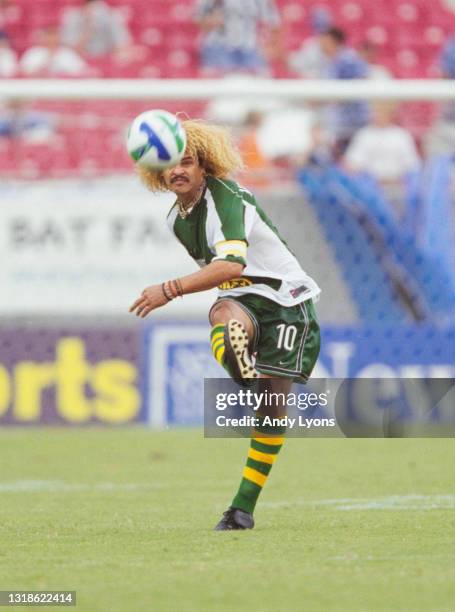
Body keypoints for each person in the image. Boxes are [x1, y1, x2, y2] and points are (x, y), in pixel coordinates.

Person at [129, 119, 321, 530]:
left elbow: (230, 263)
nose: (178, 171)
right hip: (240, 296)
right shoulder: (175, 219)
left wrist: (169, 289)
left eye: (188, 162)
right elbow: (227, 276)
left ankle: (242, 508)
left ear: (205, 165)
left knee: (270, 409)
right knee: (222, 312)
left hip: (286, 299)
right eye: (170, 165)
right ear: (157, 171)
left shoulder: (227, 197)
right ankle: (240, 364)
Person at [195, 0, 282, 76]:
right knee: (221, 84)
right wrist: (212, 21)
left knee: (259, 83)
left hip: (251, 48)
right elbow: (199, 21)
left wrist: (271, 46)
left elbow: (273, 22)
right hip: (218, 46)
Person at [344, 102, 420, 183]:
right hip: (368, 184)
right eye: (377, 112)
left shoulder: (401, 135)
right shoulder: (364, 135)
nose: (379, 116)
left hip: (397, 184)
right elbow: (351, 164)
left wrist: (397, 180)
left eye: (383, 112)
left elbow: (412, 165)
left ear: (391, 114)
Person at [60, 0, 131, 58]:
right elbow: (71, 51)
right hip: (80, 60)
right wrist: (88, 27)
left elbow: (122, 47)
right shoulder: (73, 17)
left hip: (105, 59)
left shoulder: (111, 16)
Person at [20, 26, 89, 76]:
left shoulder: (68, 53)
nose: (52, 39)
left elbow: (82, 71)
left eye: (54, 36)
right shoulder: (33, 53)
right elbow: (23, 72)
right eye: (49, 36)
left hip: (64, 90)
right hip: (37, 89)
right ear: (43, 38)